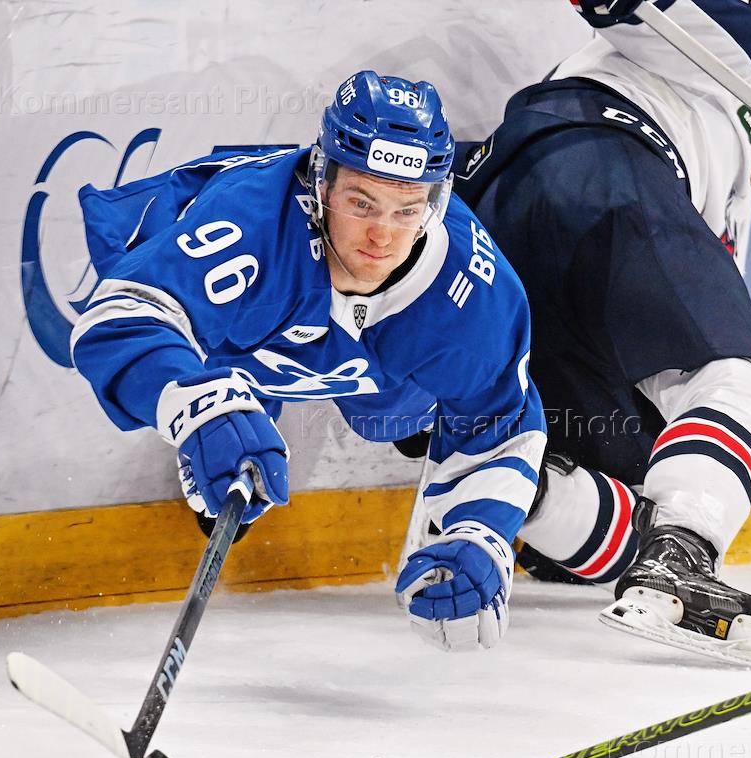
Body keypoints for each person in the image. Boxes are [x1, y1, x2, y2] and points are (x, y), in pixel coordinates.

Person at [452, 0, 751, 670]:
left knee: (633, 506)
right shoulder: (739, 63)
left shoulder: (717, 203)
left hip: (496, 237)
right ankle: (680, 561)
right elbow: (673, 14)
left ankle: (505, 479)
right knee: (745, 391)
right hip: (600, 171)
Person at [70, 71, 546, 653]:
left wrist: (483, 533)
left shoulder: (473, 292)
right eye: (361, 202)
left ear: (436, 202)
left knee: (395, 418)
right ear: (321, 181)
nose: (382, 236)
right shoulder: (250, 225)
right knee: (231, 445)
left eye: (407, 210)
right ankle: (238, 414)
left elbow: (501, 424)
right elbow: (119, 320)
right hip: (243, 331)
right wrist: (199, 408)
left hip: (379, 370)